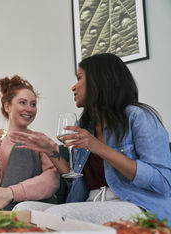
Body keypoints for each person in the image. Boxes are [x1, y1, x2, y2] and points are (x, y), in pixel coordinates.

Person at [10, 53, 171, 224]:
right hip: (91, 203)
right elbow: (77, 181)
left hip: (136, 205)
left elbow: (162, 181)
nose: (74, 87)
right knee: (22, 210)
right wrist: (50, 150)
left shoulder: (138, 117)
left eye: (79, 78)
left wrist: (99, 148)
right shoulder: (87, 125)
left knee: (58, 214)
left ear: (100, 81)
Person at [0, 75, 59, 210]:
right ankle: (3, 216)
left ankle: (0, 216)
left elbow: (52, 181)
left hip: (38, 202)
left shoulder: (42, 141)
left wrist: (12, 192)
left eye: (33, 104)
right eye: (22, 102)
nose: (29, 108)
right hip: (2, 205)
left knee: (21, 149)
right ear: (7, 106)